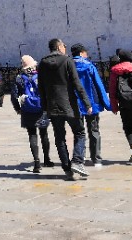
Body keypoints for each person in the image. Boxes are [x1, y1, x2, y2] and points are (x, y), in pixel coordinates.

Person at [37, 39, 92, 180]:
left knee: (59, 137)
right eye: (64, 46)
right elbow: (76, 83)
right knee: (79, 132)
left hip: (52, 106)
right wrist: (87, 102)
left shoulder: (42, 63)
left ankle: (67, 169)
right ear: (59, 47)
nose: (65, 48)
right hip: (69, 105)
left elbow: (41, 88)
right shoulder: (67, 60)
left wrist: (45, 108)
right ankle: (77, 161)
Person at [10, 55, 54, 173]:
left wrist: (18, 108)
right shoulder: (40, 76)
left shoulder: (19, 78)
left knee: (32, 135)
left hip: (27, 109)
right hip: (41, 108)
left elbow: (14, 96)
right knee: (44, 134)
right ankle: (47, 159)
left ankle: (36, 163)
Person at [71, 43, 112, 167]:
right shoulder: (89, 66)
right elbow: (99, 85)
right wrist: (108, 104)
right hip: (91, 103)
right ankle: (96, 158)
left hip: (75, 103)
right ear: (82, 53)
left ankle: (80, 157)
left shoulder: (68, 66)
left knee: (79, 131)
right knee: (94, 130)